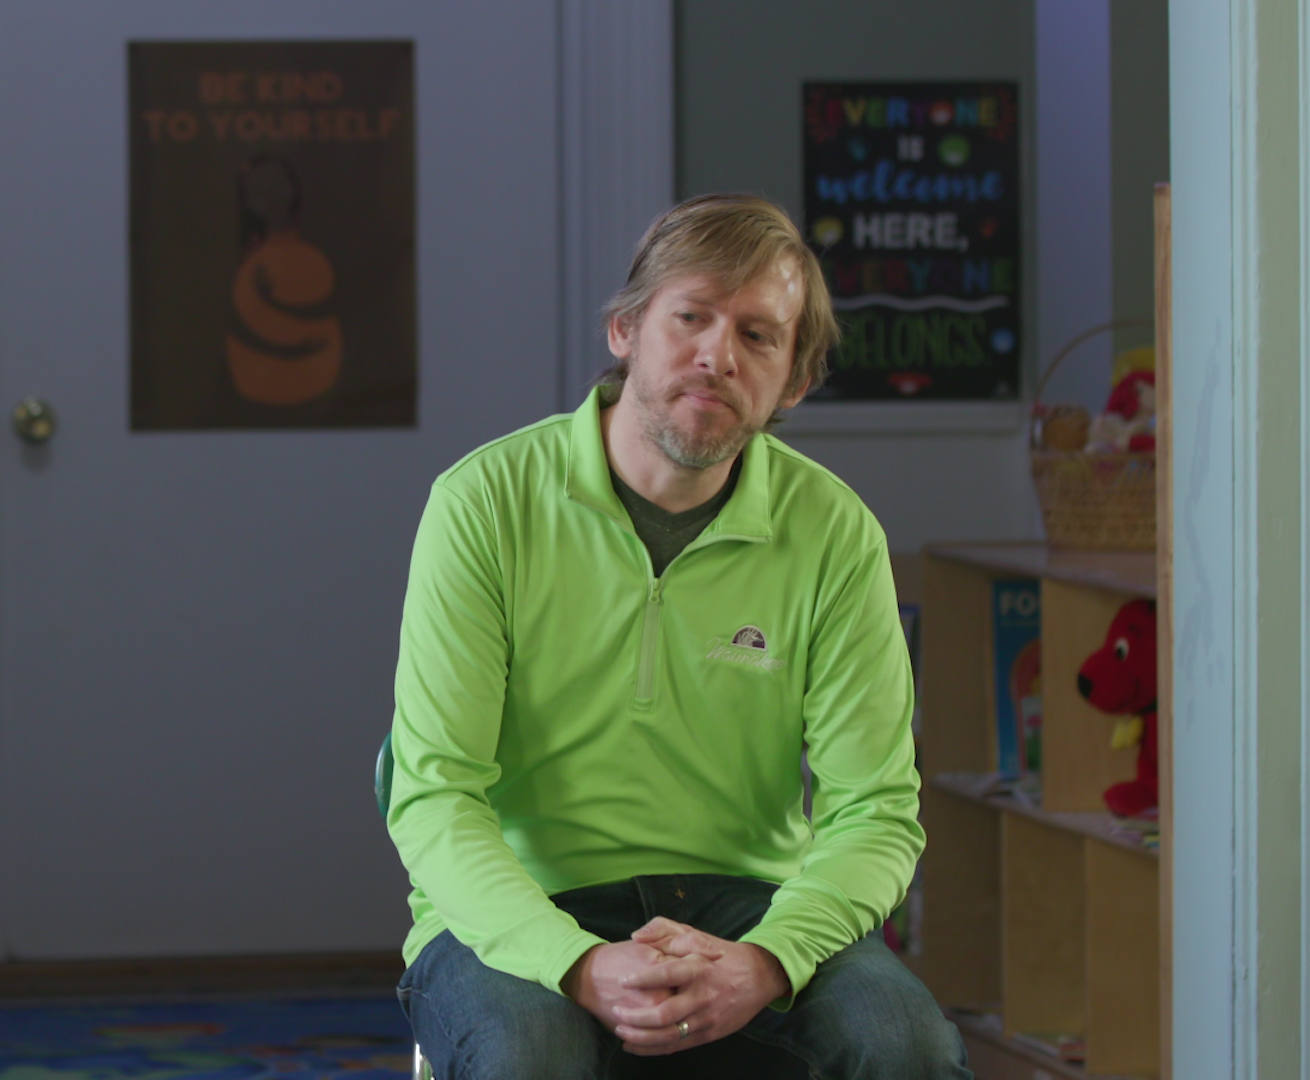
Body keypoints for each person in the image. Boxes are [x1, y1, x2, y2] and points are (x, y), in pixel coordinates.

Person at [385, 194, 971, 1079]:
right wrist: (574, 961)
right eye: (690, 317)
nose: (716, 356)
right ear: (626, 331)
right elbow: (435, 795)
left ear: (795, 383)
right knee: (530, 1055)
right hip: (523, 901)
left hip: (751, 906)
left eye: (758, 336)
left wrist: (769, 961)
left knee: (907, 1044)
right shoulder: (484, 505)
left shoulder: (836, 533)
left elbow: (876, 809)